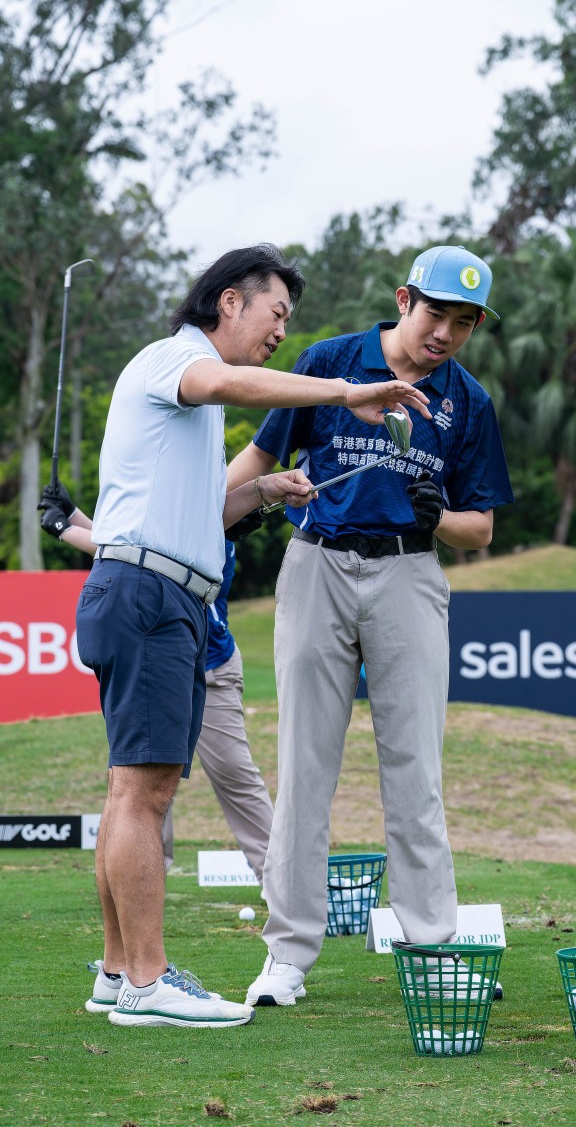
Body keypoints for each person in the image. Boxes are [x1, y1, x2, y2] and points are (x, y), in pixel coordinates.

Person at [57, 243, 430, 1030]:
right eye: (276, 313)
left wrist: (261, 489)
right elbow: (229, 382)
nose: (280, 331)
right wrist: (347, 391)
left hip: (154, 592)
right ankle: (148, 981)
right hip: (149, 595)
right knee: (145, 793)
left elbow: (199, 514)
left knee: (130, 789)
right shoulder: (176, 361)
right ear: (230, 301)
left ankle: (119, 971)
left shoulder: (188, 401)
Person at [226, 244, 513, 1007]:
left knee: (416, 769)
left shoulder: (467, 401)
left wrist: (439, 517)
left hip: (409, 572)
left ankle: (431, 945)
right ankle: (287, 954)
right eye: (436, 313)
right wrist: (217, 503)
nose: (445, 333)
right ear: (403, 299)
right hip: (317, 563)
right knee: (304, 765)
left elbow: (481, 527)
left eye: (464, 322)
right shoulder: (330, 363)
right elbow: (261, 456)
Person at [37, 495, 273, 883]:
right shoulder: (181, 517)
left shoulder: (196, 531)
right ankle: (143, 880)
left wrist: (65, 528)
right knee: (144, 776)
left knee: (235, 776)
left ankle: (279, 882)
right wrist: (73, 513)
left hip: (213, 670)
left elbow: (129, 554)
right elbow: (127, 543)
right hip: (163, 663)